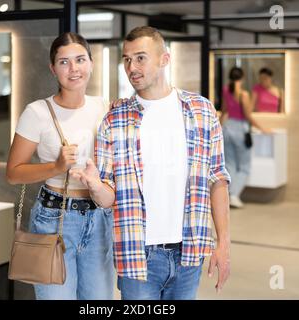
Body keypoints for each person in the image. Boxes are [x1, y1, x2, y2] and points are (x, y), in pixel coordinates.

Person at [71, 26, 232, 300]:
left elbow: (217, 179)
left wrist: (224, 243)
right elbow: (108, 197)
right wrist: (96, 187)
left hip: (189, 252)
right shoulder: (115, 119)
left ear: (164, 59)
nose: (132, 67)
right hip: (137, 255)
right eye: (126, 59)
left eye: (141, 58)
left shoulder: (201, 111)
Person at [5, 32, 114, 300]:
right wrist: (56, 166)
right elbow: (13, 173)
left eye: (80, 60)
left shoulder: (105, 108)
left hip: (99, 219)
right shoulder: (37, 112)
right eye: (64, 62)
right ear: (53, 69)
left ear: (91, 62)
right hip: (53, 219)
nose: (73, 68)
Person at [220, 67, 270, 208]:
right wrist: (263, 129)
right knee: (244, 167)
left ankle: (228, 194)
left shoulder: (225, 90)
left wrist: (218, 128)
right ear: (242, 78)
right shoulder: (243, 94)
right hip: (240, 130)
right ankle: (234, 195)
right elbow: (248, 116)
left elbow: (224, 111)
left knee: (229, 165)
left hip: (227, 129)